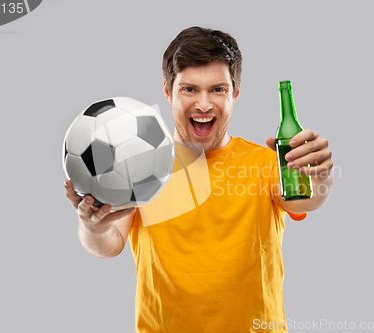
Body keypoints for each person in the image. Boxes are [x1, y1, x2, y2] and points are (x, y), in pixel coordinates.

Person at [64, 26, 333, 332]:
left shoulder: (264, 162)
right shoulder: (137, 165)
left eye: (217, 89)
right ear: (168, 91)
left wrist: (320, 175)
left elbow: (306, 200)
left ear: (235, 93)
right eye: (189, 89)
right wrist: (91, 226)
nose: (204, 105)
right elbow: (108, 244)